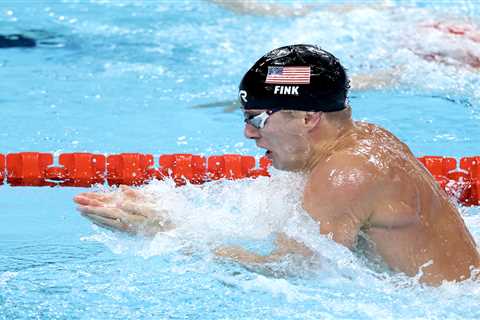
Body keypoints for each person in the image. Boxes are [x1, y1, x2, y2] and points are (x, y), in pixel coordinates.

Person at [74, 44, 480, 286]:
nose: (250, 135)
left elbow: (295, 271)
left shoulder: (345, 174)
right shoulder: (362, 139)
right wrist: (172, 210)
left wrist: (165, 233)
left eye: (258, 119)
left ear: (308, 118)